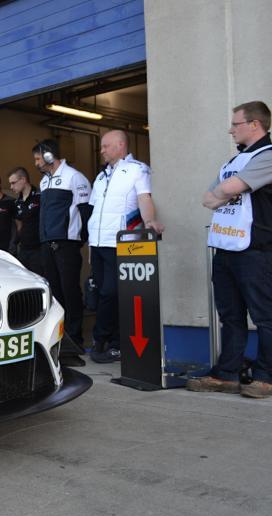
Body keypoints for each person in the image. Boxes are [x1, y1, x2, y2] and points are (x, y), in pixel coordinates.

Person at [188, 100, 272, 399]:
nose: (230, 130)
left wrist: (227, 190)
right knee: (230, 316)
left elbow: (225, 190)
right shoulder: (233, 163)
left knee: (265, 316)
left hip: (255, 250)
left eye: (235, 124)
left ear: (254, 124)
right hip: (226, 248)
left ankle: (266, 376)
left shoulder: (267, 155)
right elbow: (207, 199)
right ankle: (227, 374)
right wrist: (228, 189)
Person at [87, 130, 165, 363]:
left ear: (120, 145)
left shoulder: (137, 169)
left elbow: (144, 198)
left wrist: (150, 221)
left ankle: (108, 341)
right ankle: (108, 341)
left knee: (113, 293)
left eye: (105, 146)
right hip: (98, 244)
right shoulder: (101, 178)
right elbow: (94, 209)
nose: (101, 150)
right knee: (103, 293)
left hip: (121, 243)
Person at [33, 139, 92, 367]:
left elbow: (86, 212)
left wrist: (79, 241)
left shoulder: (74, 177)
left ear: (49, 156)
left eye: (38, 158)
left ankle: (75, 340)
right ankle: (60, 340)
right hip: (47, 245)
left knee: (70, 292)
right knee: (55, 295)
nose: (36, 163)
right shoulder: (44, 182)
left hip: (67, 244)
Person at [8, 167, 43, 276]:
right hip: (23, 249)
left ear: (23, 180)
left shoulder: (40, 196)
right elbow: (19, 225)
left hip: (39, 249)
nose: (11, 187)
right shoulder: (17, 202)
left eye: (13, 183)